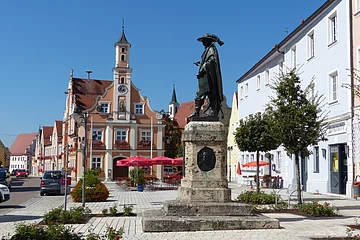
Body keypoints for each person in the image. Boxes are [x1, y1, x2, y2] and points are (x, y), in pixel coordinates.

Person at [189, 33, 224, 119]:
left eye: (204, 41)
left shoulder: (212, 49)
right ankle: (200, 112)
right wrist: (201, 64)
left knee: (204, 93)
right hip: (206, 75)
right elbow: (208, 61)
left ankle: (206, 111)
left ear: (209, 41)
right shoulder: (208, 50)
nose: (202, 43)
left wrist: (203, 66)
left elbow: (212, 60)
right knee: (206, 93)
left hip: (208, 76)